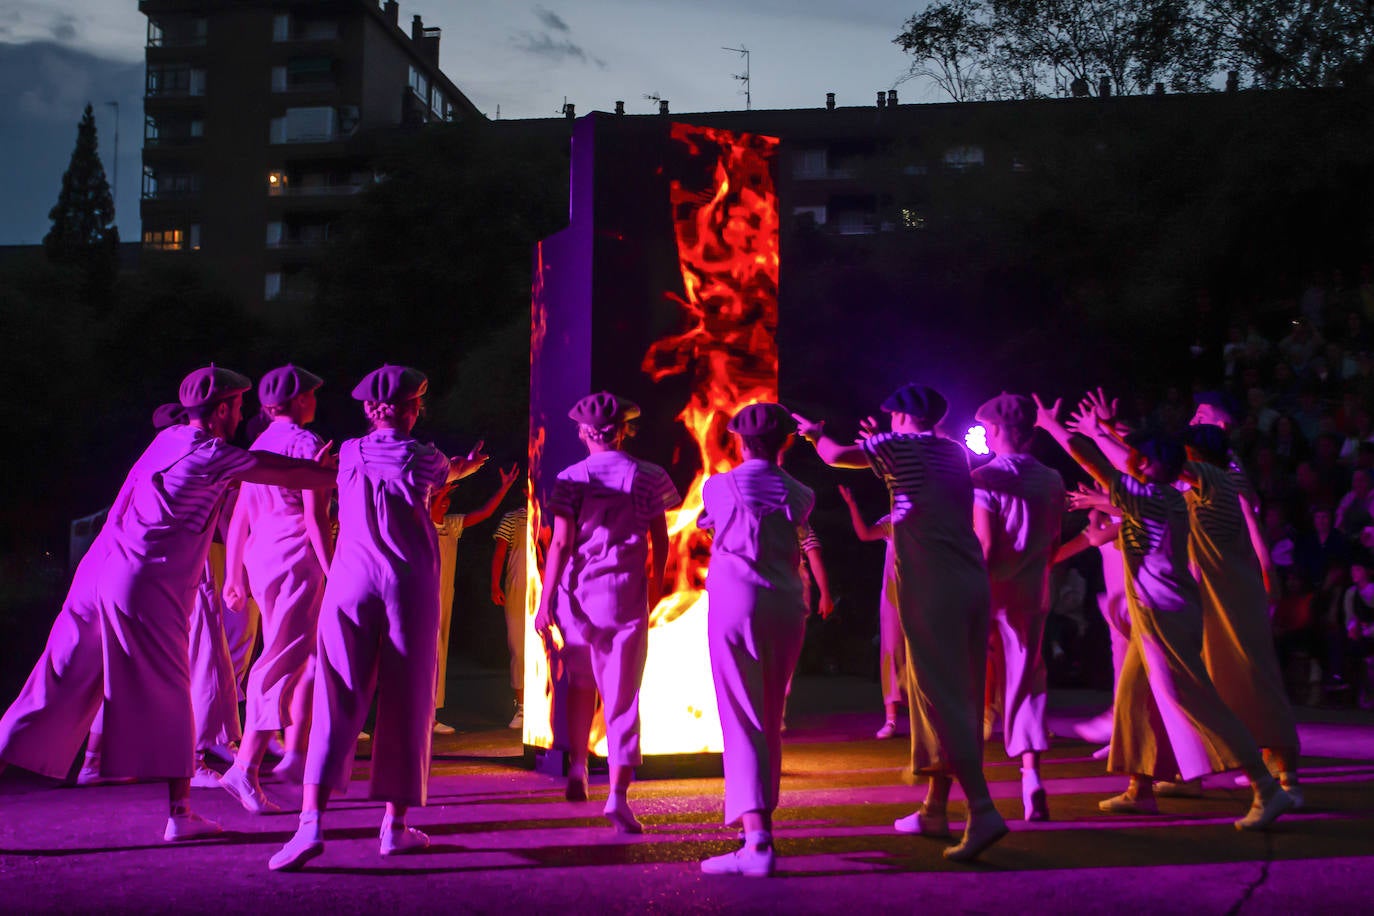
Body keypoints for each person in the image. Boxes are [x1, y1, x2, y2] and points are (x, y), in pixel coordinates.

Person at [0, 365, 337, 842]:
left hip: (96, 574)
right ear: (222, 409)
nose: (242, 416)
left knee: (52, 683)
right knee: (173, 688)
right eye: (238, 408)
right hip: (141, 581)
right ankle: (180, 814)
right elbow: (286, 472)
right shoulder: (213, 455)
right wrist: (338, 468)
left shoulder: (167, 440)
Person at [1033, 392, 1293, 830]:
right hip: (1169, 610)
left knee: (1196, 701)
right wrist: (1106, 453)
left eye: (1140, 458)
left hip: (1163, 616)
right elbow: (1119, 491)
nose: (1132, 461)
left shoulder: (1151, 495)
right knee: (1135, 696)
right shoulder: (1174, 497)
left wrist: (1054, 427)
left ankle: (1266, 788)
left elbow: (1093, 461)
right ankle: (1141, 789)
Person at [270, 365, 487, 871]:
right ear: (413, 409)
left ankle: (310, 822)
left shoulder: (347, 452)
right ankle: (394, 826)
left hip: (350, 584)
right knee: (409, 700)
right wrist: (470, 466)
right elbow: (446, 471)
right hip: (407, 586)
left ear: (369, 410)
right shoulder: (426, 457)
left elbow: (319, 498)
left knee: (335, 694)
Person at [793, 383, 1007, 862]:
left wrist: (813, 435)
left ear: (901, 417)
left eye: (891, 415)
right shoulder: (953, 451)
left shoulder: (896, 445)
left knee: (939, 696)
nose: (887, 421)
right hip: (970, 579)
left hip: (932, 585)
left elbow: (835, 455)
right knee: (959, 694)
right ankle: (935, 807)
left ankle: (982, 807)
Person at [533, 392, 681, 833]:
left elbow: (560, 543)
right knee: (622, 697)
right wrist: (654, 589)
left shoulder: (570, 477)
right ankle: (617, 795)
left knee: (578, 685)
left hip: (577, 596)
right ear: (623, 429)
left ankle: (577, 765)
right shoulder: (650, 475)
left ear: (582, 432)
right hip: (624, 594)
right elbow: (661, 539)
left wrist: (545, 603)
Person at [698, 404, 814, 878]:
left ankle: (757, 841)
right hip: (786, 604)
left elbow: (721, 521)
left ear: (739, 441)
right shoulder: (802, 492)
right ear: (785, 441)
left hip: (735, 601)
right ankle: (757, 830)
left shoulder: (717, 486)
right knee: (769, 715)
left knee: (742, 715)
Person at [218, 365, 333, 812]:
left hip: (261, 560)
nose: (316, 400)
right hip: (294, 560)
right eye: (312, 393)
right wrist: (333, 569)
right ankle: (245, 767)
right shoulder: (305, 444)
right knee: (281, 657)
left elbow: (241, 516)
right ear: (301, 400)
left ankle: (267, 756)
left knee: (288, 655)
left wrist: (233, 574)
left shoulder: (259, 445)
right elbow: (314, 516)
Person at [1179, 424, 1303, 805]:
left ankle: (1287, 777)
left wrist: (1269, 573)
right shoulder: (1202, 486)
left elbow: (1253, 526)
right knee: (1215, 678)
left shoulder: (1226, 481)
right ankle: (1237, 765)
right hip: (1212, 592)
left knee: (1256, 676)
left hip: (1237, 590)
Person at [970, 393, 1065, 822]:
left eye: (990, 428)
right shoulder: (1052, 479)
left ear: (1002, 431)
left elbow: (986, 545)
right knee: (1027, 680)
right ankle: (1031, 779)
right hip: (1034, 591)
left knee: (972, 682)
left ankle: (965, 788)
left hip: (993, 592)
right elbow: (1054, 542)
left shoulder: (985, 478)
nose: (986, 434)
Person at [430, 463, 519, 735]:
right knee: (425, 653)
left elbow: (484, 513)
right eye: (441, 499)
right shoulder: (420, 523)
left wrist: (503, 488)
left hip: (444, 595)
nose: (446, 505)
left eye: (448, 500)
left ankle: (431, 715)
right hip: (421, 597)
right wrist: (438, 490)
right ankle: (417, 715)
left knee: (439, 652)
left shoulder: (451, 525)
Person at [837, 484, 906, 738]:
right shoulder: (892, 522)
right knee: (891, 650)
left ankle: (931, 716)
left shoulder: (926, 519)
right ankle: (890, 719)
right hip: (894, 598)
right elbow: (865, 534)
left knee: (923, 654)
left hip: (922, 595)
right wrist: (853, 505)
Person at [491, 505, 530, 729]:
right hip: (518, 586)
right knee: (518, 646)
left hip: (548, 587)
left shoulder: (555, 512)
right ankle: (522, 707)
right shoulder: (512, 517)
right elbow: (500, 552)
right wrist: (495, 584)